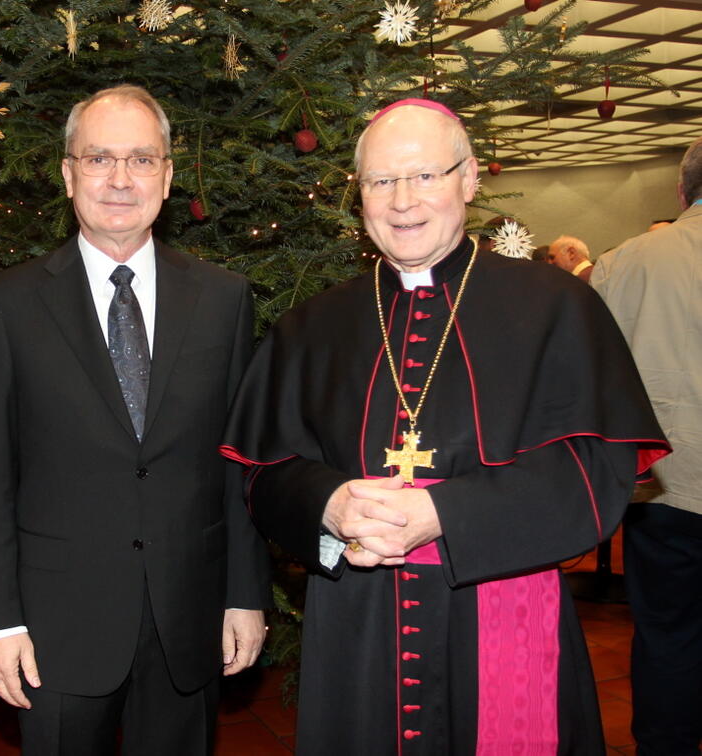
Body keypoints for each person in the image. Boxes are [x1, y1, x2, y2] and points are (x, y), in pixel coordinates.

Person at [220, 98, 669, 755]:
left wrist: (446, 513)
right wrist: (330, 502)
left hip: (501, 603)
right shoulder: (314, 326)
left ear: (469, 179)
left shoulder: (555, 307)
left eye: (426, 175)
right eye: (381, 181)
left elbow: (593, 470)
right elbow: (262, 475)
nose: (403, 200)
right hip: (357, 618)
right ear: (359, 196)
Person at [0, 84, 270, 755]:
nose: (121, 179)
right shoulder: (5, 305)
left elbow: (238, 463)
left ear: (167, 174)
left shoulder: (223, 301)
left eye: (141, 159)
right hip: (55, 628)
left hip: (188, 619)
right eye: (100, 159)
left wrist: (244, 595)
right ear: (68, 173)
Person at [591, 137, 702, 756]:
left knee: (666, 634)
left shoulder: (625, 260)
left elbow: (592, 377)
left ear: (683, 192)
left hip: (663, 484)